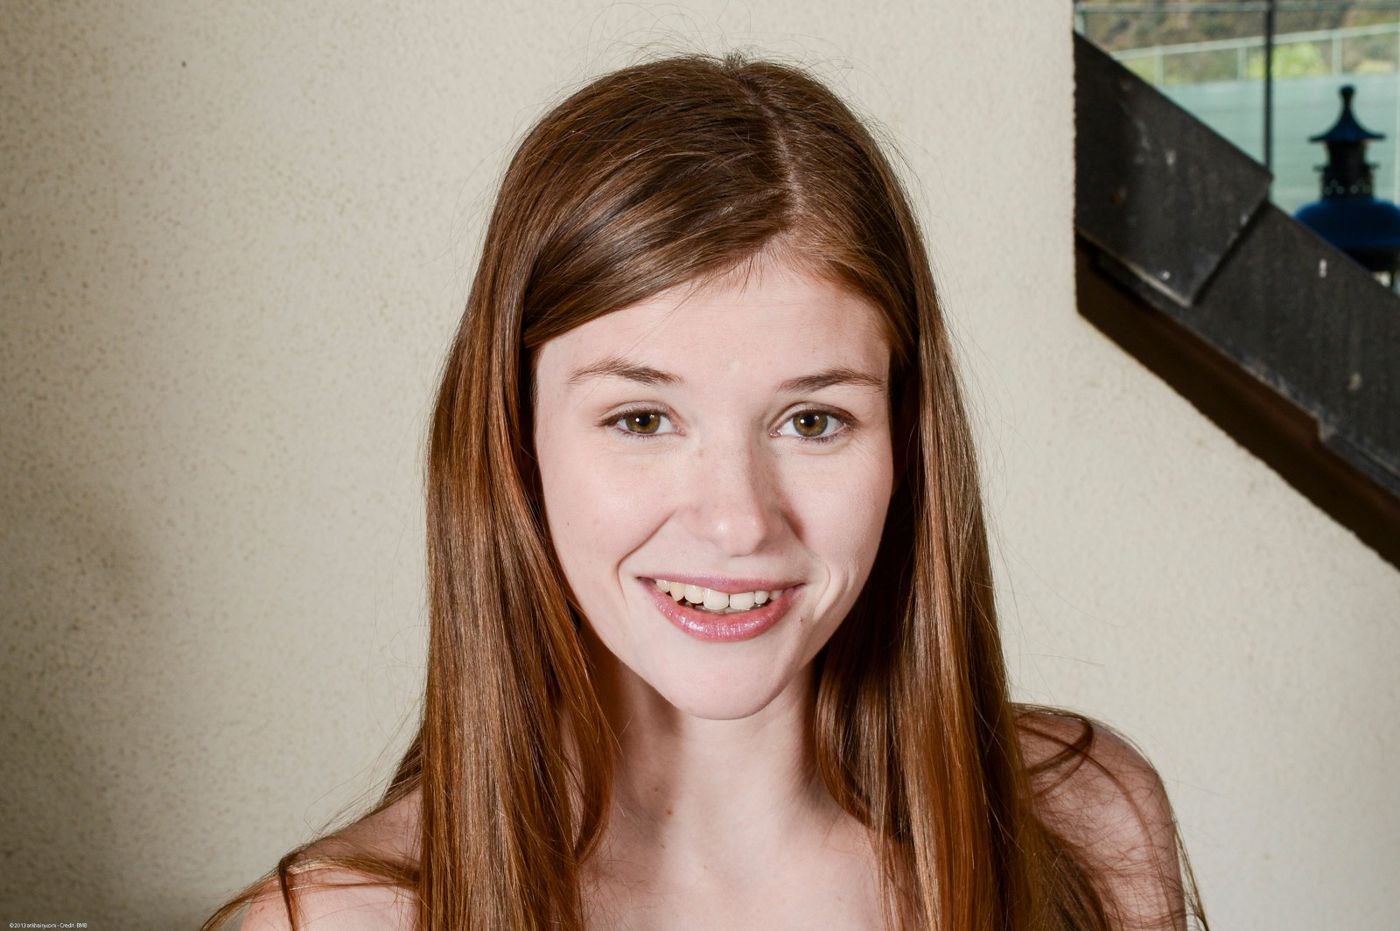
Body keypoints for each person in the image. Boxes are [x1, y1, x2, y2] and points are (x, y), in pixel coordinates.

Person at [203, 51, 1208, 931]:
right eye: (642, 419)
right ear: (514, 438)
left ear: (904, 443)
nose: (736, 520)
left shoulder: (1087, 824)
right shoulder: (344, 920)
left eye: (811, 421)